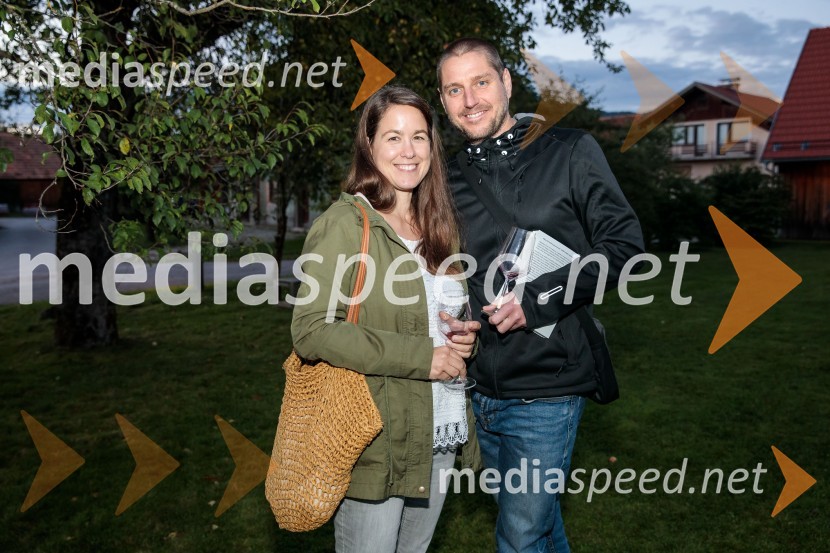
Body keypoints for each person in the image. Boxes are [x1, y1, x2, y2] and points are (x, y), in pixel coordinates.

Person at [436, 38, 645, 552]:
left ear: (506, 83)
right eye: (454, 90)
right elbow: (457, 271)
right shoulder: (446, 177)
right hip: (479, 391)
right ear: (443, 102)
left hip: (549, 385)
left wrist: (534, 304)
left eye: (481, 82)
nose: (470, 100)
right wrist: (458, 318)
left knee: (520, 535)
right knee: (542, 527)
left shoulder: (570, 151)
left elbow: (624, 248)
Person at [290, 85, 482, 553]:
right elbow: (311, 329)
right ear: (369, 146)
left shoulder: (440, 224)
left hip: (440, 430)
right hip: (378, 438)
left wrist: (462, 341)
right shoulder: (345, 223)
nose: (409, 151)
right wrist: (425, 357)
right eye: (393, 137)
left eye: (419, 137)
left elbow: (438, 321)